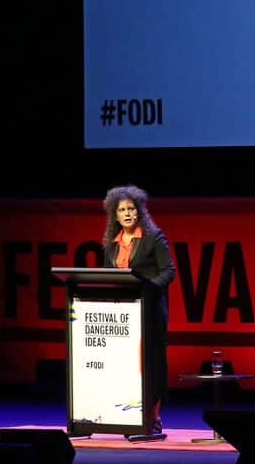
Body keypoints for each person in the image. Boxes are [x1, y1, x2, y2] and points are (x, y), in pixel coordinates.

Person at [102, 185, 175, 437]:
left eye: (131, 208)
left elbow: (168, 271)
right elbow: (108, 276)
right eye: (122, 209)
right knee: (127, 367)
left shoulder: (154, 237)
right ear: (115, 214)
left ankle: (153, 419)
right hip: (123, 315)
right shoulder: (111, 243)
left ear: (139, 210)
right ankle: (128, 416)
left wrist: (147, 289)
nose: (127, 213)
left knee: (150, 366)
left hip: (150, 312)